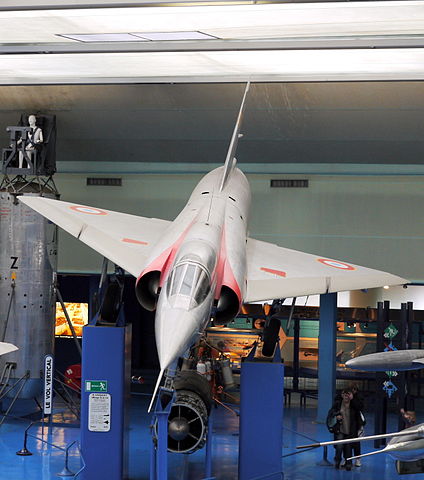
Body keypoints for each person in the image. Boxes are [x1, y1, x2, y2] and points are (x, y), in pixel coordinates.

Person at [327, 388, 364, 471]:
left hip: (351, 430)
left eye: (348, 394)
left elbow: (360, 407)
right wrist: (336, 415)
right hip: (340, 429)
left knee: (349, 447)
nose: (346, 396)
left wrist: (353, 399)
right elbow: (331, 412)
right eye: (344, 394)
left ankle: (348, 463)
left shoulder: (354, 405)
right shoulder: (338, 403)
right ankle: (337, 461)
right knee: (339, 446)